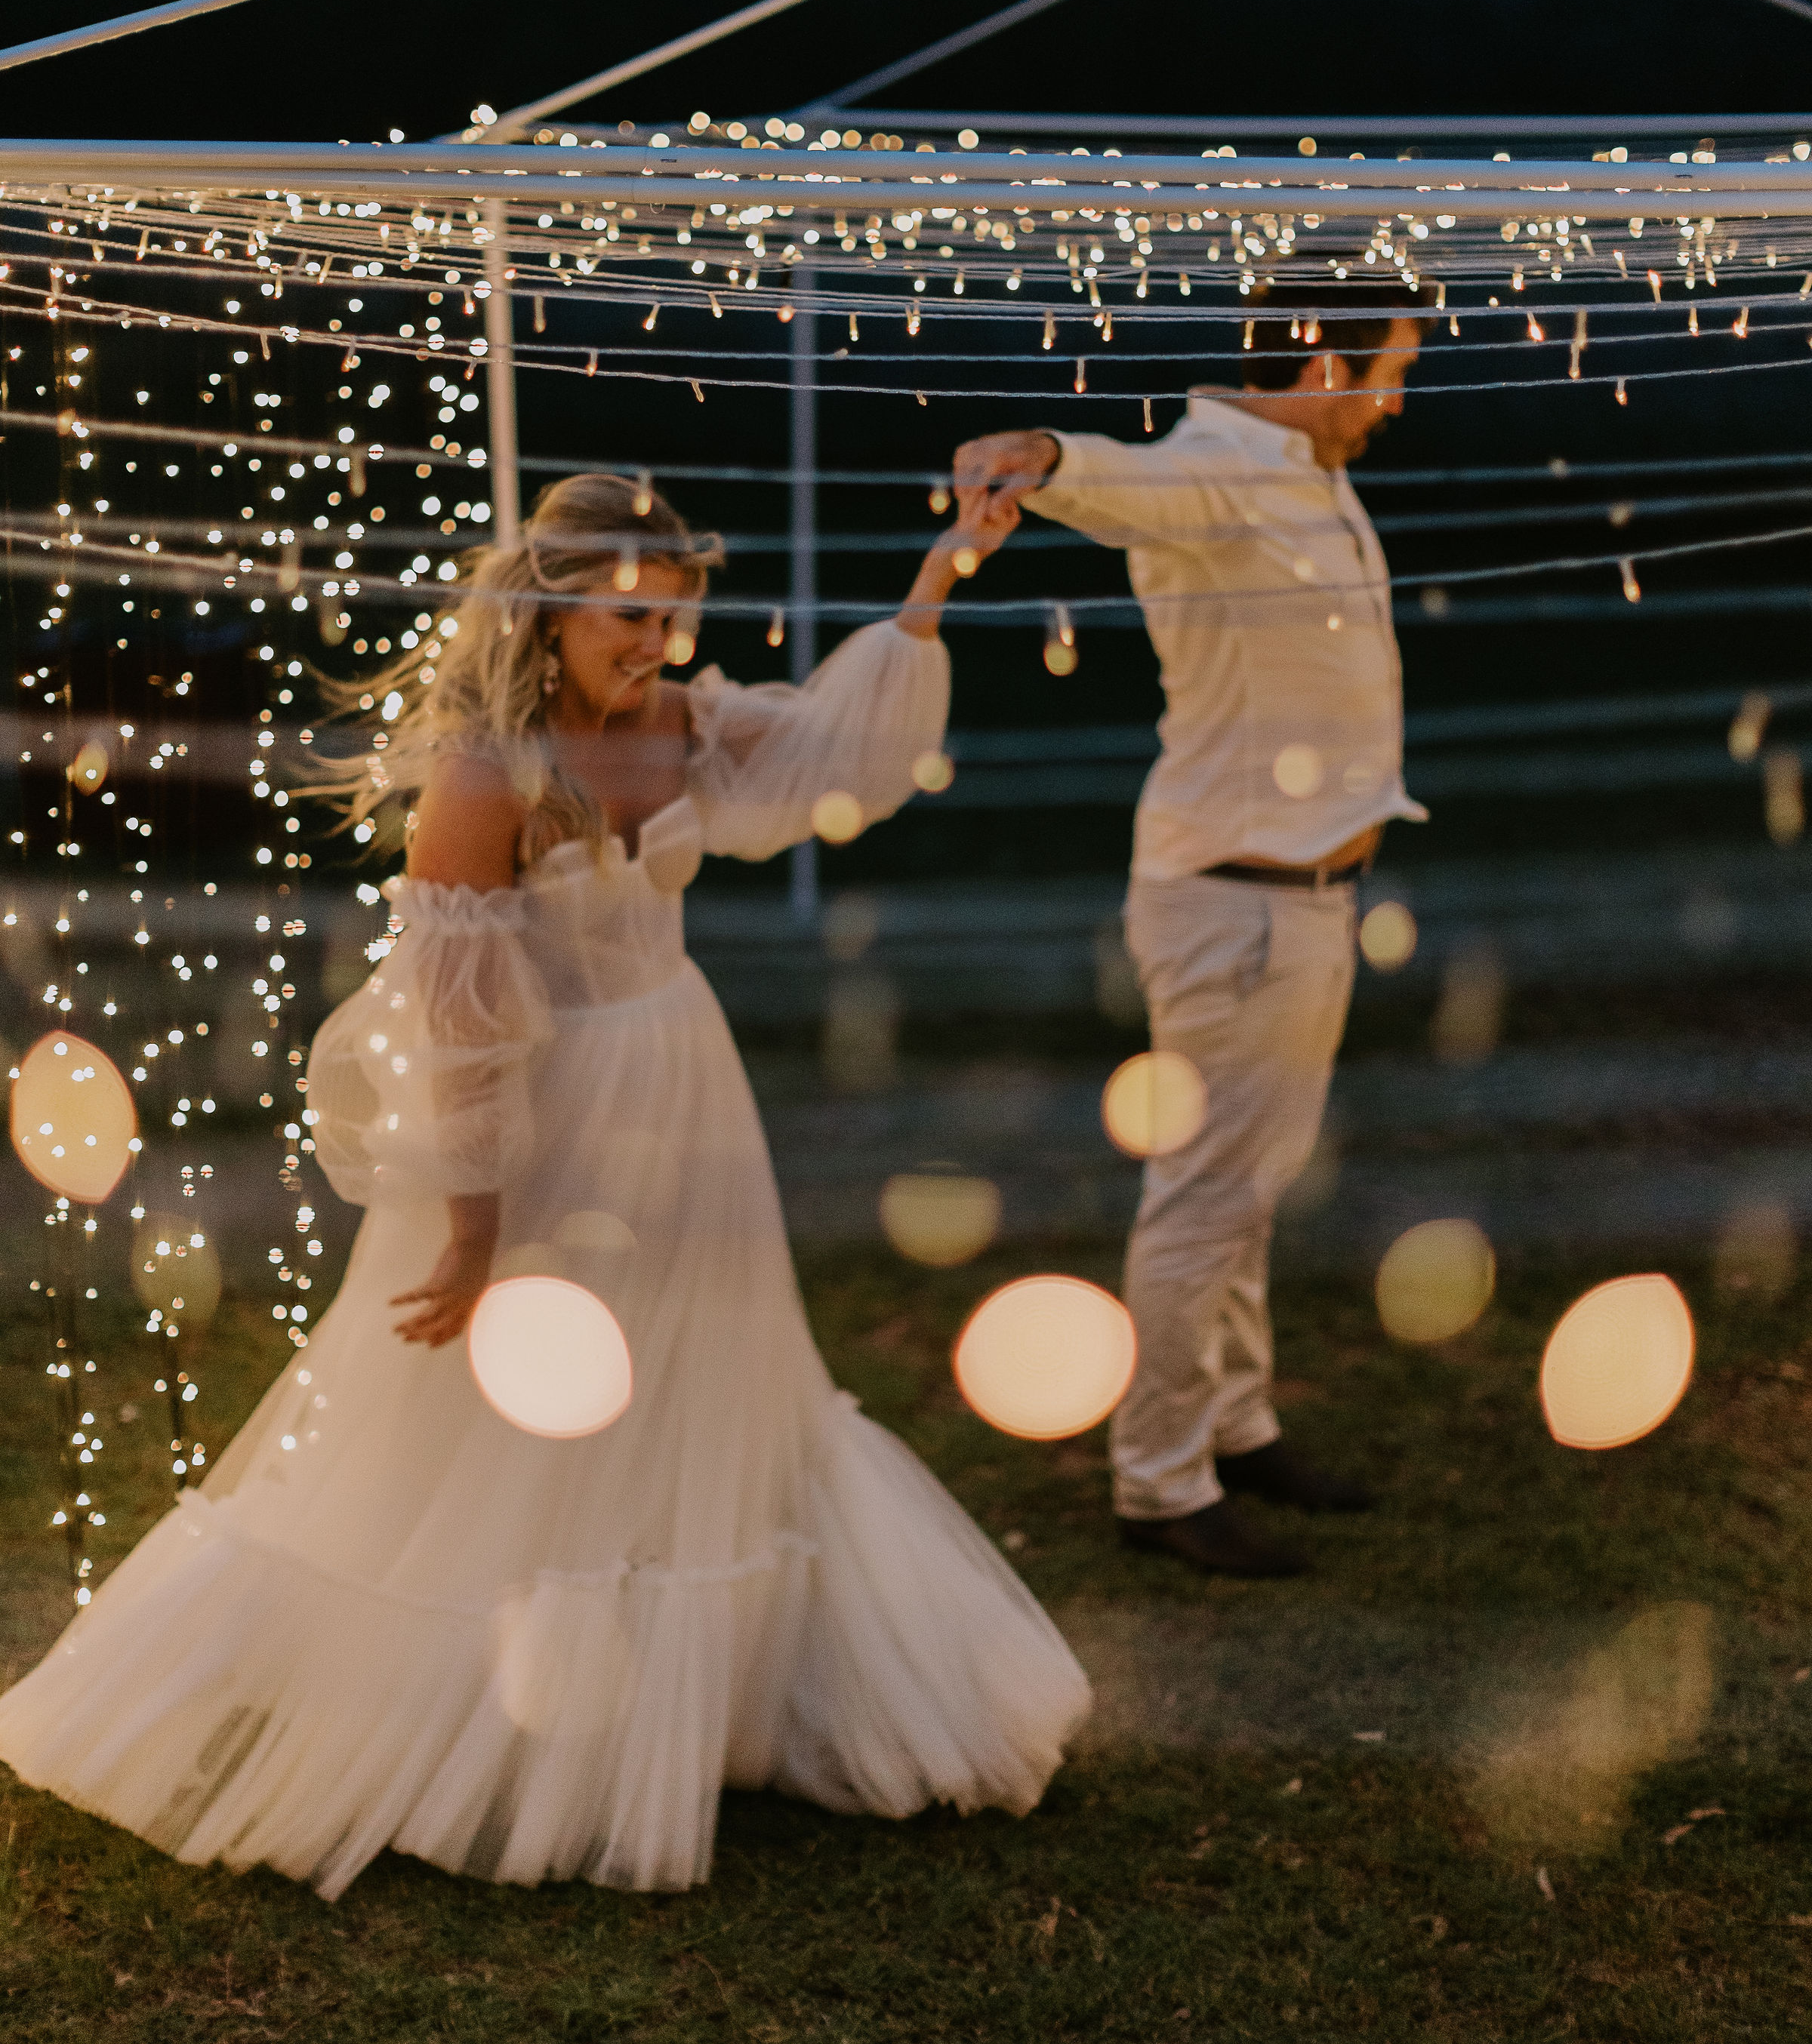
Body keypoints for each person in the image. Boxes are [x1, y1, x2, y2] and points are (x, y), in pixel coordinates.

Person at [0, 473, 1090, 1897]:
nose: (658, 646)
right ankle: (511, 1707)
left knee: (704, 1389)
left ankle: (696, 1694)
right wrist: (470, 1232)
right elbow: (459, 1027)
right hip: (544, 1126)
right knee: (521, 1427)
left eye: (675, 618)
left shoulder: (688, 726)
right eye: (631, 621)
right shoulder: (484, 778)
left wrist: (941, 578)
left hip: (687, 1099)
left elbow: (836, 750)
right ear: (552, 611)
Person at [953, 280, 1428, 1580]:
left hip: (1291, 901)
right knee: (1207, 1197)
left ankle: (1238, 1418)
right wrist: (1043, 462)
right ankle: (1160, 1482)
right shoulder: (1221, 464)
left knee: (1249, 1189)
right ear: (1324, 361)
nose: (1396, 403)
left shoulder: (1303, 467)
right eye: (1387, 372)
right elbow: (1129, 487)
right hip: (1239, 908)